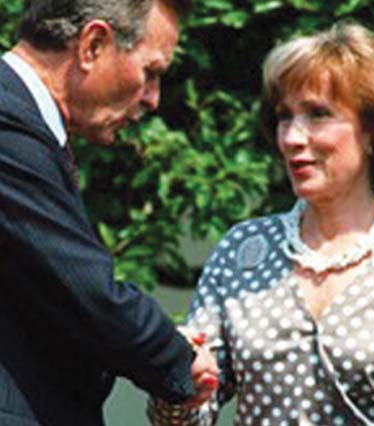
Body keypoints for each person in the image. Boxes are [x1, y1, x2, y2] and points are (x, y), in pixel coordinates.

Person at [148, 20, 374, 425]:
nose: (292, 137)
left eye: (318, 114)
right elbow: (188, 419)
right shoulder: (243, 250)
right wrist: (177, 380)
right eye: (285, 117)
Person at [0, 1, 218, 425]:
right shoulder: (7, 121)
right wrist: (176, 358)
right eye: (150, 72)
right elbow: (80, 286)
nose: (153, 99)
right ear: (93, 45)